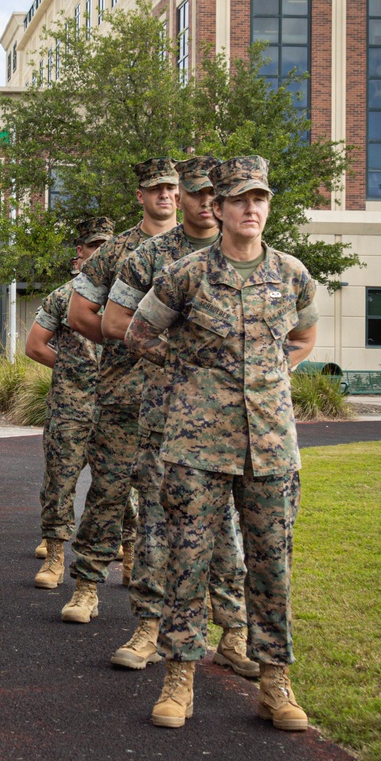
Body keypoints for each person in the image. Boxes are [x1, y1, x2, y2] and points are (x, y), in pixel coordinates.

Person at [124, 156, 318, 731]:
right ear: (220, 208)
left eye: (259, 199)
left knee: (271, 566)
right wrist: (189, 369)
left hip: (271, 446)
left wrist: (267, 376)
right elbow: (138, 332)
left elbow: (304, 334)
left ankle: (275, 681)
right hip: (196, 445)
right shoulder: (186, 273)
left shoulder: (291, 274)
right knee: (188, 561)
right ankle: (179, 677)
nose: (250, 209)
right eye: (239, 201)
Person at [102, 156, 256, 676]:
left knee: (227, 528)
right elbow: (116, 318)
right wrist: (183, 363)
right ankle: (149, 625)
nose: (208, 202)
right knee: (158, 520)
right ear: (183, 198)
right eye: (196, 193)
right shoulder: (152, 256)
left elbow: (291, 336)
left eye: (218, 193)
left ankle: (234, 633)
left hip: (238, 421)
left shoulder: (250, 257)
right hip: (168, 414)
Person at [62, 158, 179, 624]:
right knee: (108, 491)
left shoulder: (199, 247)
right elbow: (79, 313)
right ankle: (88, 585)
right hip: (123, 391)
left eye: (171, 187)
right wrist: (125, 341)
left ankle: (162, 598)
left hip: (180, 399)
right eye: (155, 189)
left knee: (168, 498)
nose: (165, 196)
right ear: (141, 196)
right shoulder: (117, 252)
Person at [25, 216, 114, 589]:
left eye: (107, 246)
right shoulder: (63, 297)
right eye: (94, 246)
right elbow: (35, 346)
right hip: (71, 406)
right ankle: (56, 559)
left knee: (120, 483)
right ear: (81, 251)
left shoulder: (130, 296)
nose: (101, 253)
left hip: (116, 405)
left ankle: (129, 550)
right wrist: (71, 369)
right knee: (60, 482)